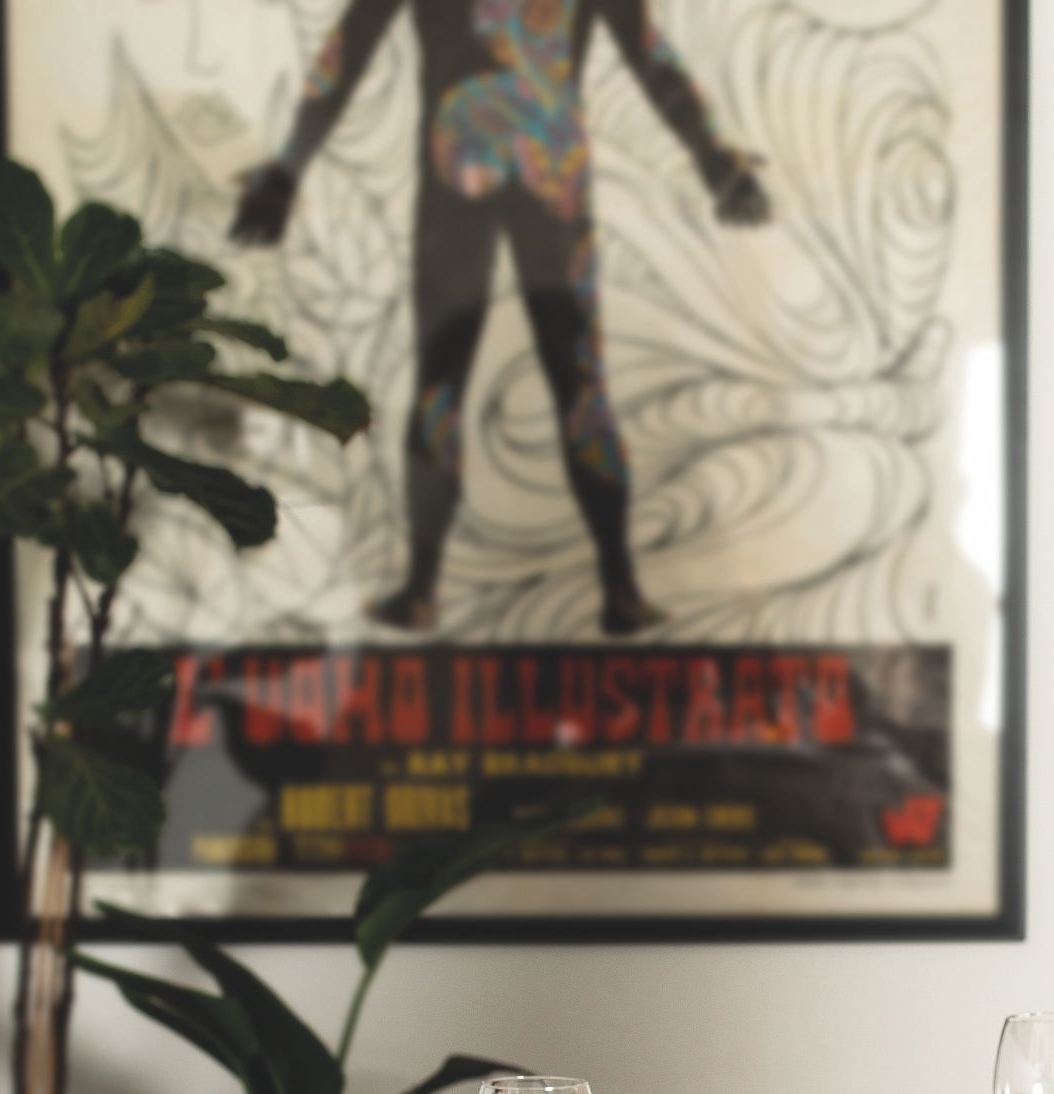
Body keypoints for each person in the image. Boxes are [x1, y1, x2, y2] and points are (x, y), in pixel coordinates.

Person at [230, 0, 772, 635]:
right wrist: (716, 163)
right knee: (564, 382)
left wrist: (287, 172)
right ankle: (615, 587)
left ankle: (433, 589)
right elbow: (652, 58)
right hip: (543, 177)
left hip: (468, 171)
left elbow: (348, 50)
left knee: (455, 383)